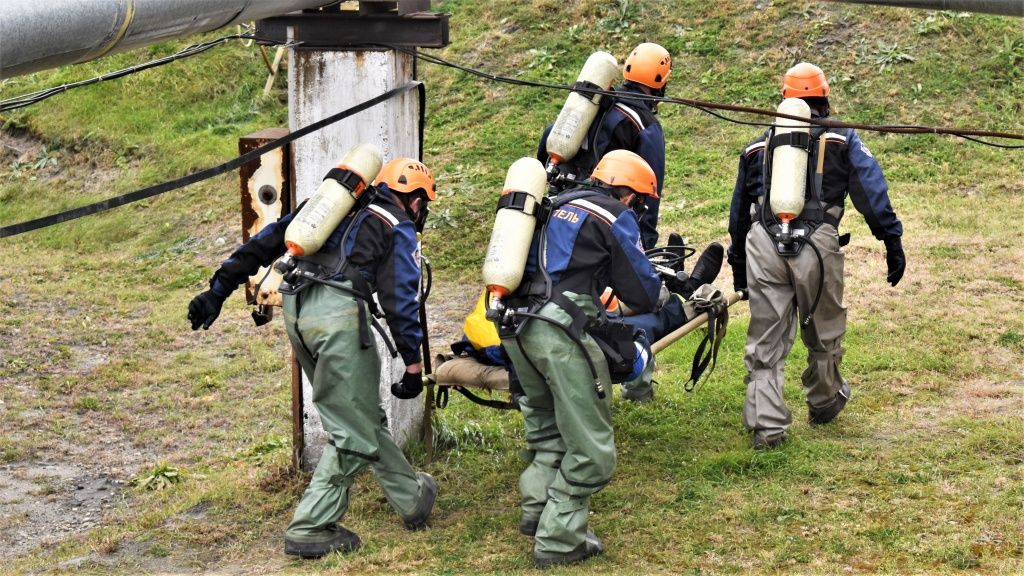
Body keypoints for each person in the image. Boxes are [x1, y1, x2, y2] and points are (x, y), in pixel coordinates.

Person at [187, 156, 440, 557]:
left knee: (358, 412)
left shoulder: (330, 206)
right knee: (352, 432)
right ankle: (311, 526)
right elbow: (401, 301)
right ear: (414, 200)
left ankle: (410, 496)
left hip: (297, 310)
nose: (419, 212)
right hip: (338, 316)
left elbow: (263, 243)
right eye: (421, 204)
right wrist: (412, 365)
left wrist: (218, 289)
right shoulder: (397, 225)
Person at [727, 62, 906, 449]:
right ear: (824, 97)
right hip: (818, 244)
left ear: (784, 99)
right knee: (824, 327)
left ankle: (767, 427)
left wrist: (739, 265)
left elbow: (739, 209)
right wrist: (891, 239)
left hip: (762, 242)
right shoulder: (842, 138)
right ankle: (824, 402)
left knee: (766, 336)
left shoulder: (760, 144)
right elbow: (870, 191)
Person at [498, 149, 663, 568]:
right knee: (592, 448)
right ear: (626, 193)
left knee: (545, 426)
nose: (636, 208)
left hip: (513, 325)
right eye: (638, 200)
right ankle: (559, 540)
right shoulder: (611, 214)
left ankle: (537, 511)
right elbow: (642, 292)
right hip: (559, 332)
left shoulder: (552, 202)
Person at [538, 42, 671, 249]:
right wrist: (644, 246)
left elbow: (550, 134)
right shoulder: (646, 125)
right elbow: (649, 195)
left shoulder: (596, 102)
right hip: (604, 221)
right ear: (661, 81)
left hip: (560, 208)